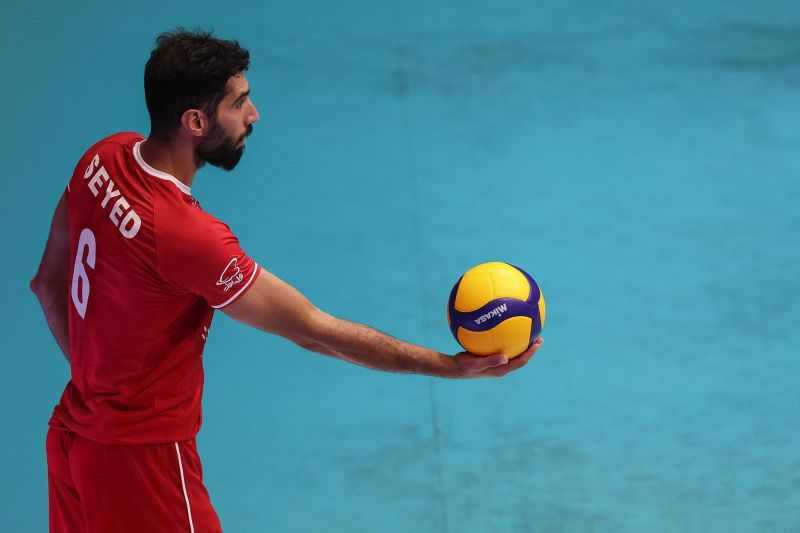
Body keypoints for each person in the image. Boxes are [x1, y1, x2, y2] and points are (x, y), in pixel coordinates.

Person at [30, 29, 543, 533]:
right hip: (143, 464)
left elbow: (48, 285)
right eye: (239, 103)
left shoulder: (102, 157)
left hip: (72, 437)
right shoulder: (187, 236)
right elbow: (313, 330)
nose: (254, 114)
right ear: (195, 121)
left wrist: (102, 386)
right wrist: (451, 368)